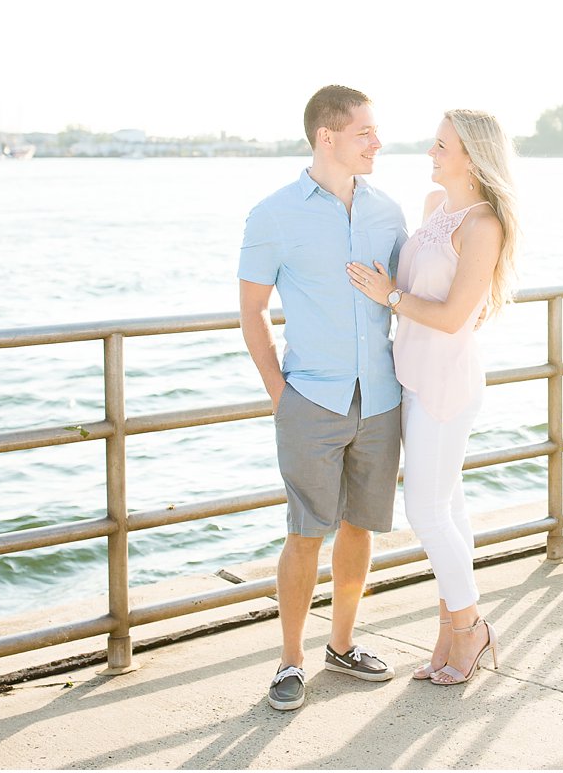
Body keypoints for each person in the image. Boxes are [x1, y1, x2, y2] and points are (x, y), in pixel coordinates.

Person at [238, 84, 407, 711]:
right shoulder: (274, 214)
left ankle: (343, 644)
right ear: (326, 137)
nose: (377, 143)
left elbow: (404, 296)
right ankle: (289, 661)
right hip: (310, 398)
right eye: (365, 133)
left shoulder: (390, 212)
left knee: (361, 527)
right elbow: (252, 313)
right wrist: (280, 394)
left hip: (383, 398)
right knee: (305, 531)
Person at [346, 108, 519, 687]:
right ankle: (449, 632)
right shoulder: (432, 210)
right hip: (412, 376)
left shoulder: (483, 225)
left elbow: (450, 318)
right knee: (450, 508)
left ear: (469, 155)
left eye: (440, 145)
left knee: (425, 510)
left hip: (446, 382)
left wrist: (388, 296)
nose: (430, 153)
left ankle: (470, 629)